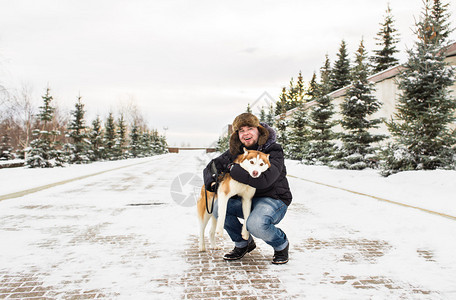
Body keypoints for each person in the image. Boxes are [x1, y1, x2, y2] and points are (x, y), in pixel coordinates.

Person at [203, 112, 292, 264]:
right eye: (241, 130)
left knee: (255, 224)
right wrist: (211, 182)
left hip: (273, 199)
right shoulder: (237, 151)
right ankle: (243, 243)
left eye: (249, 128)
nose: (246, 134)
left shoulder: (274, 150)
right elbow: (211, 166)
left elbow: (264, 180)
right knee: (218, 208)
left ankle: (281, 244)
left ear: (258, 130)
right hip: (247, 199)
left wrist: (233, 169)